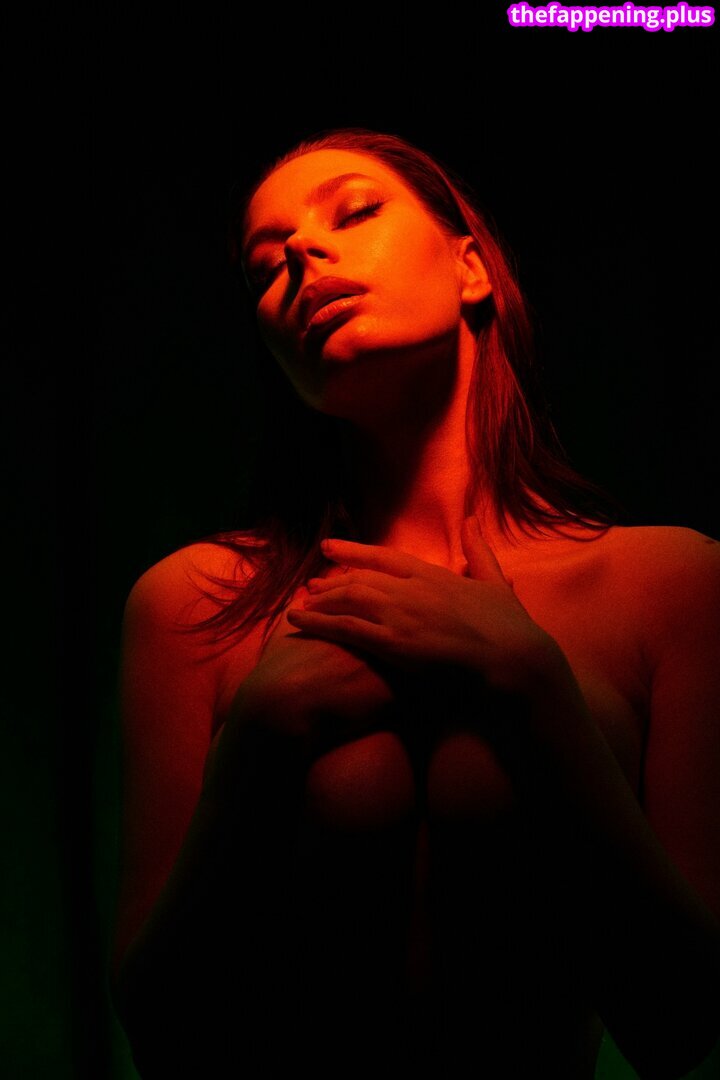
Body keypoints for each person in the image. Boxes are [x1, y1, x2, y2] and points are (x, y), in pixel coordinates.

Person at [110, 128, 720, 1079]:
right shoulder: (193, 603)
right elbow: (163, 1041)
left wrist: (534, 689)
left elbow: (680, 1030)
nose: (301, 254)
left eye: (354, 211)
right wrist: (256, 748)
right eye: (265, 267)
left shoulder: (673, 585)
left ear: (471, 268)